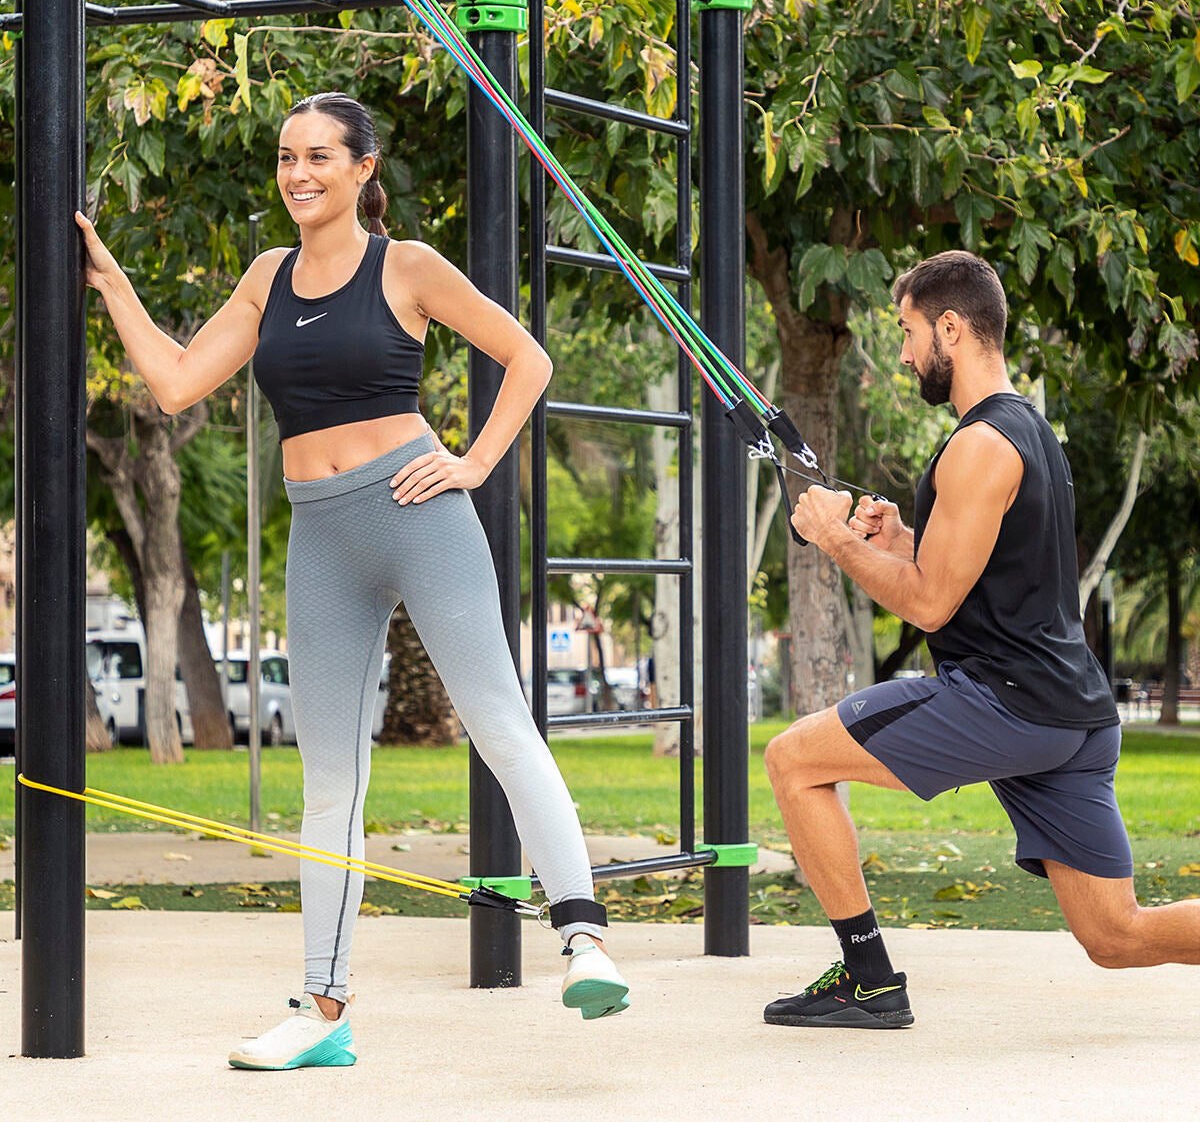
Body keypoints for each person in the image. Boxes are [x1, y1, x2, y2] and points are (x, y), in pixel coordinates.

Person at [75, 91, 629, 1070]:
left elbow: (525, 357)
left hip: (420, 513)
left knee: (499, 724)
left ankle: (584, 940)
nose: (298, 174)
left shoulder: (405, 266)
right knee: (327, 779)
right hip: (320, 535)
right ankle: (323, 1014)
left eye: (320, 156)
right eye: (287, 157)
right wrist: (112, 280)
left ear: (364, 169)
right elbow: (172, 383)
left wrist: (475, 462)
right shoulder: (266, 277)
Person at [762, 250, 1200, 1030]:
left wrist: (835, 541)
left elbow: (930, 606)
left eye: (907, 331)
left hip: (1007, 706)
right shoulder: (1028, 430)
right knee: (1116, 934)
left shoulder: (976, 446)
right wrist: (898, 539)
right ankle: (868, 982)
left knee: (793, 760)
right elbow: (973, 578)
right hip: (1073, 716)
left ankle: (869, 982)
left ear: (952, 328)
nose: (902, 353)